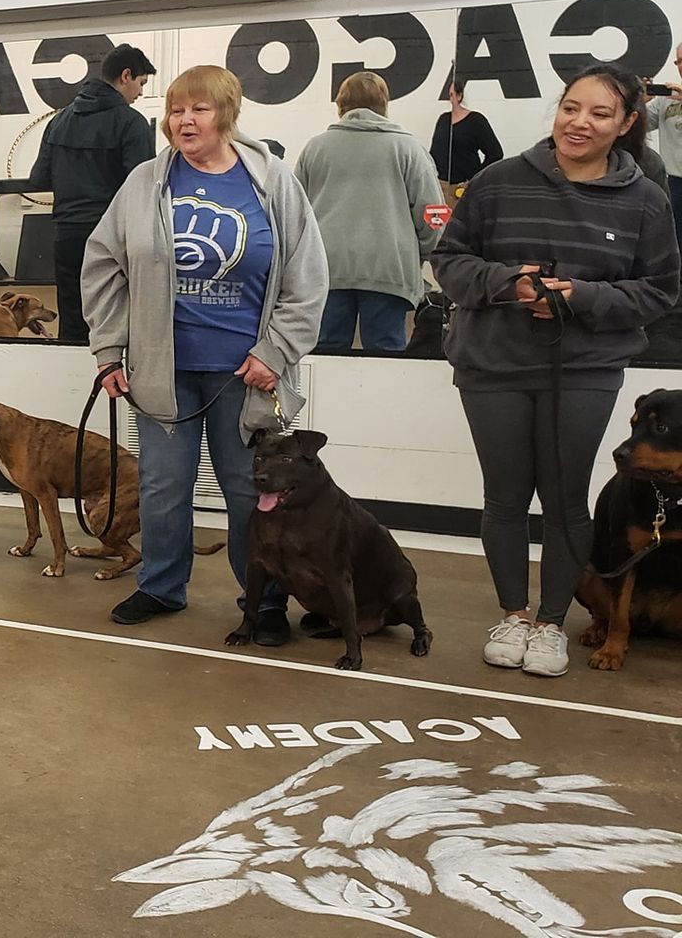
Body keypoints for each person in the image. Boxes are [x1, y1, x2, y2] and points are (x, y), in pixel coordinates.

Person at [433, 63, 680, 679]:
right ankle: (513, 615)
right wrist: (509, 284)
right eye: (572, 107)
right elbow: (450, 261)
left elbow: (658, 290)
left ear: (627, 123)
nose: (580, 122)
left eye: (600, 113)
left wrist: (583, 297)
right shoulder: (495, 182)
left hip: (587, 368)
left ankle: (550, 624)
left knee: (568, 501)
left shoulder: (646, 200)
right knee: (505, 498)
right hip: (493, 363)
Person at [82, 65, 328, 635]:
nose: (184, 121)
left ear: (227, 114)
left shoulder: (272, 182)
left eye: (199, 110)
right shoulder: (145, 183)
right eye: (175, 110)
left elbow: (308, 277)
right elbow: (102, 267)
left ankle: (263, 601)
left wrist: (276, 350)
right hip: (163, 373)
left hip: (245, 376)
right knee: (162, 488)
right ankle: (162, 587)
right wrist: (109, 350)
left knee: (250, 491)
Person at [294, 70, 445, 352]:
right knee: (386, 357)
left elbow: (294, 214)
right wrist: (419, 254)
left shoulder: (314, 149)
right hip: (390, 270)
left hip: (327, 272)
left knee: (326, 355)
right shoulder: (409, 149)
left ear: (340, 103)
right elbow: (434, 215)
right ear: (385, 103)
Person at [30, 44, 158, 344]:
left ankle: (71, 389)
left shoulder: (59, 121)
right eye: (141, 83)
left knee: (73, 320)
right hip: (113, 238)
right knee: (116, 320)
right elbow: (142, 187)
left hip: (67, 235)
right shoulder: (131, 123)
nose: (139, 93)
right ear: (126, 76)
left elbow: (38, 179)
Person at [430, 76, 503, 201]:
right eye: (449, 95)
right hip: (441, 186)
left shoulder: (476, 120)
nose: (450, 98)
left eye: (452, 95)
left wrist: (475, 178)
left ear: (460, 96)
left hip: (464, 187)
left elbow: (495, 153)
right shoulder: (443, 119)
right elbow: (435, 151)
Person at [644, 41, 682, 232]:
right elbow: (636, 127)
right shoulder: (666, 100)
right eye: (679, 61)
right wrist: (637, 103)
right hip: (675, 182)